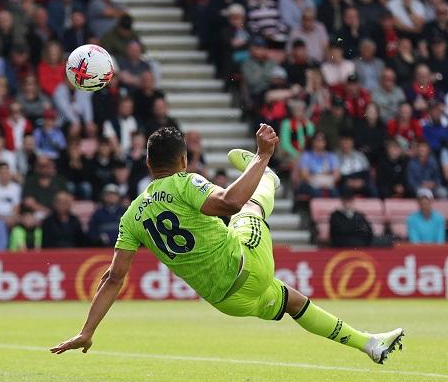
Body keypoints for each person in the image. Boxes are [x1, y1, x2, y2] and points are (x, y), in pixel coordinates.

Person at [50, 126, 404, 365]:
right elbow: (231, 202)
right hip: (247, 263)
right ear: (184, 161)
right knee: (249, 206)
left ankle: (370, 345)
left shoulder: (130, 217)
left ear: (146, 164)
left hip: (227, 301)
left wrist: (87, 331)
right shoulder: (184, 182)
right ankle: (265, 174)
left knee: (294, 301)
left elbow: (113, 278)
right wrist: (263, 155)